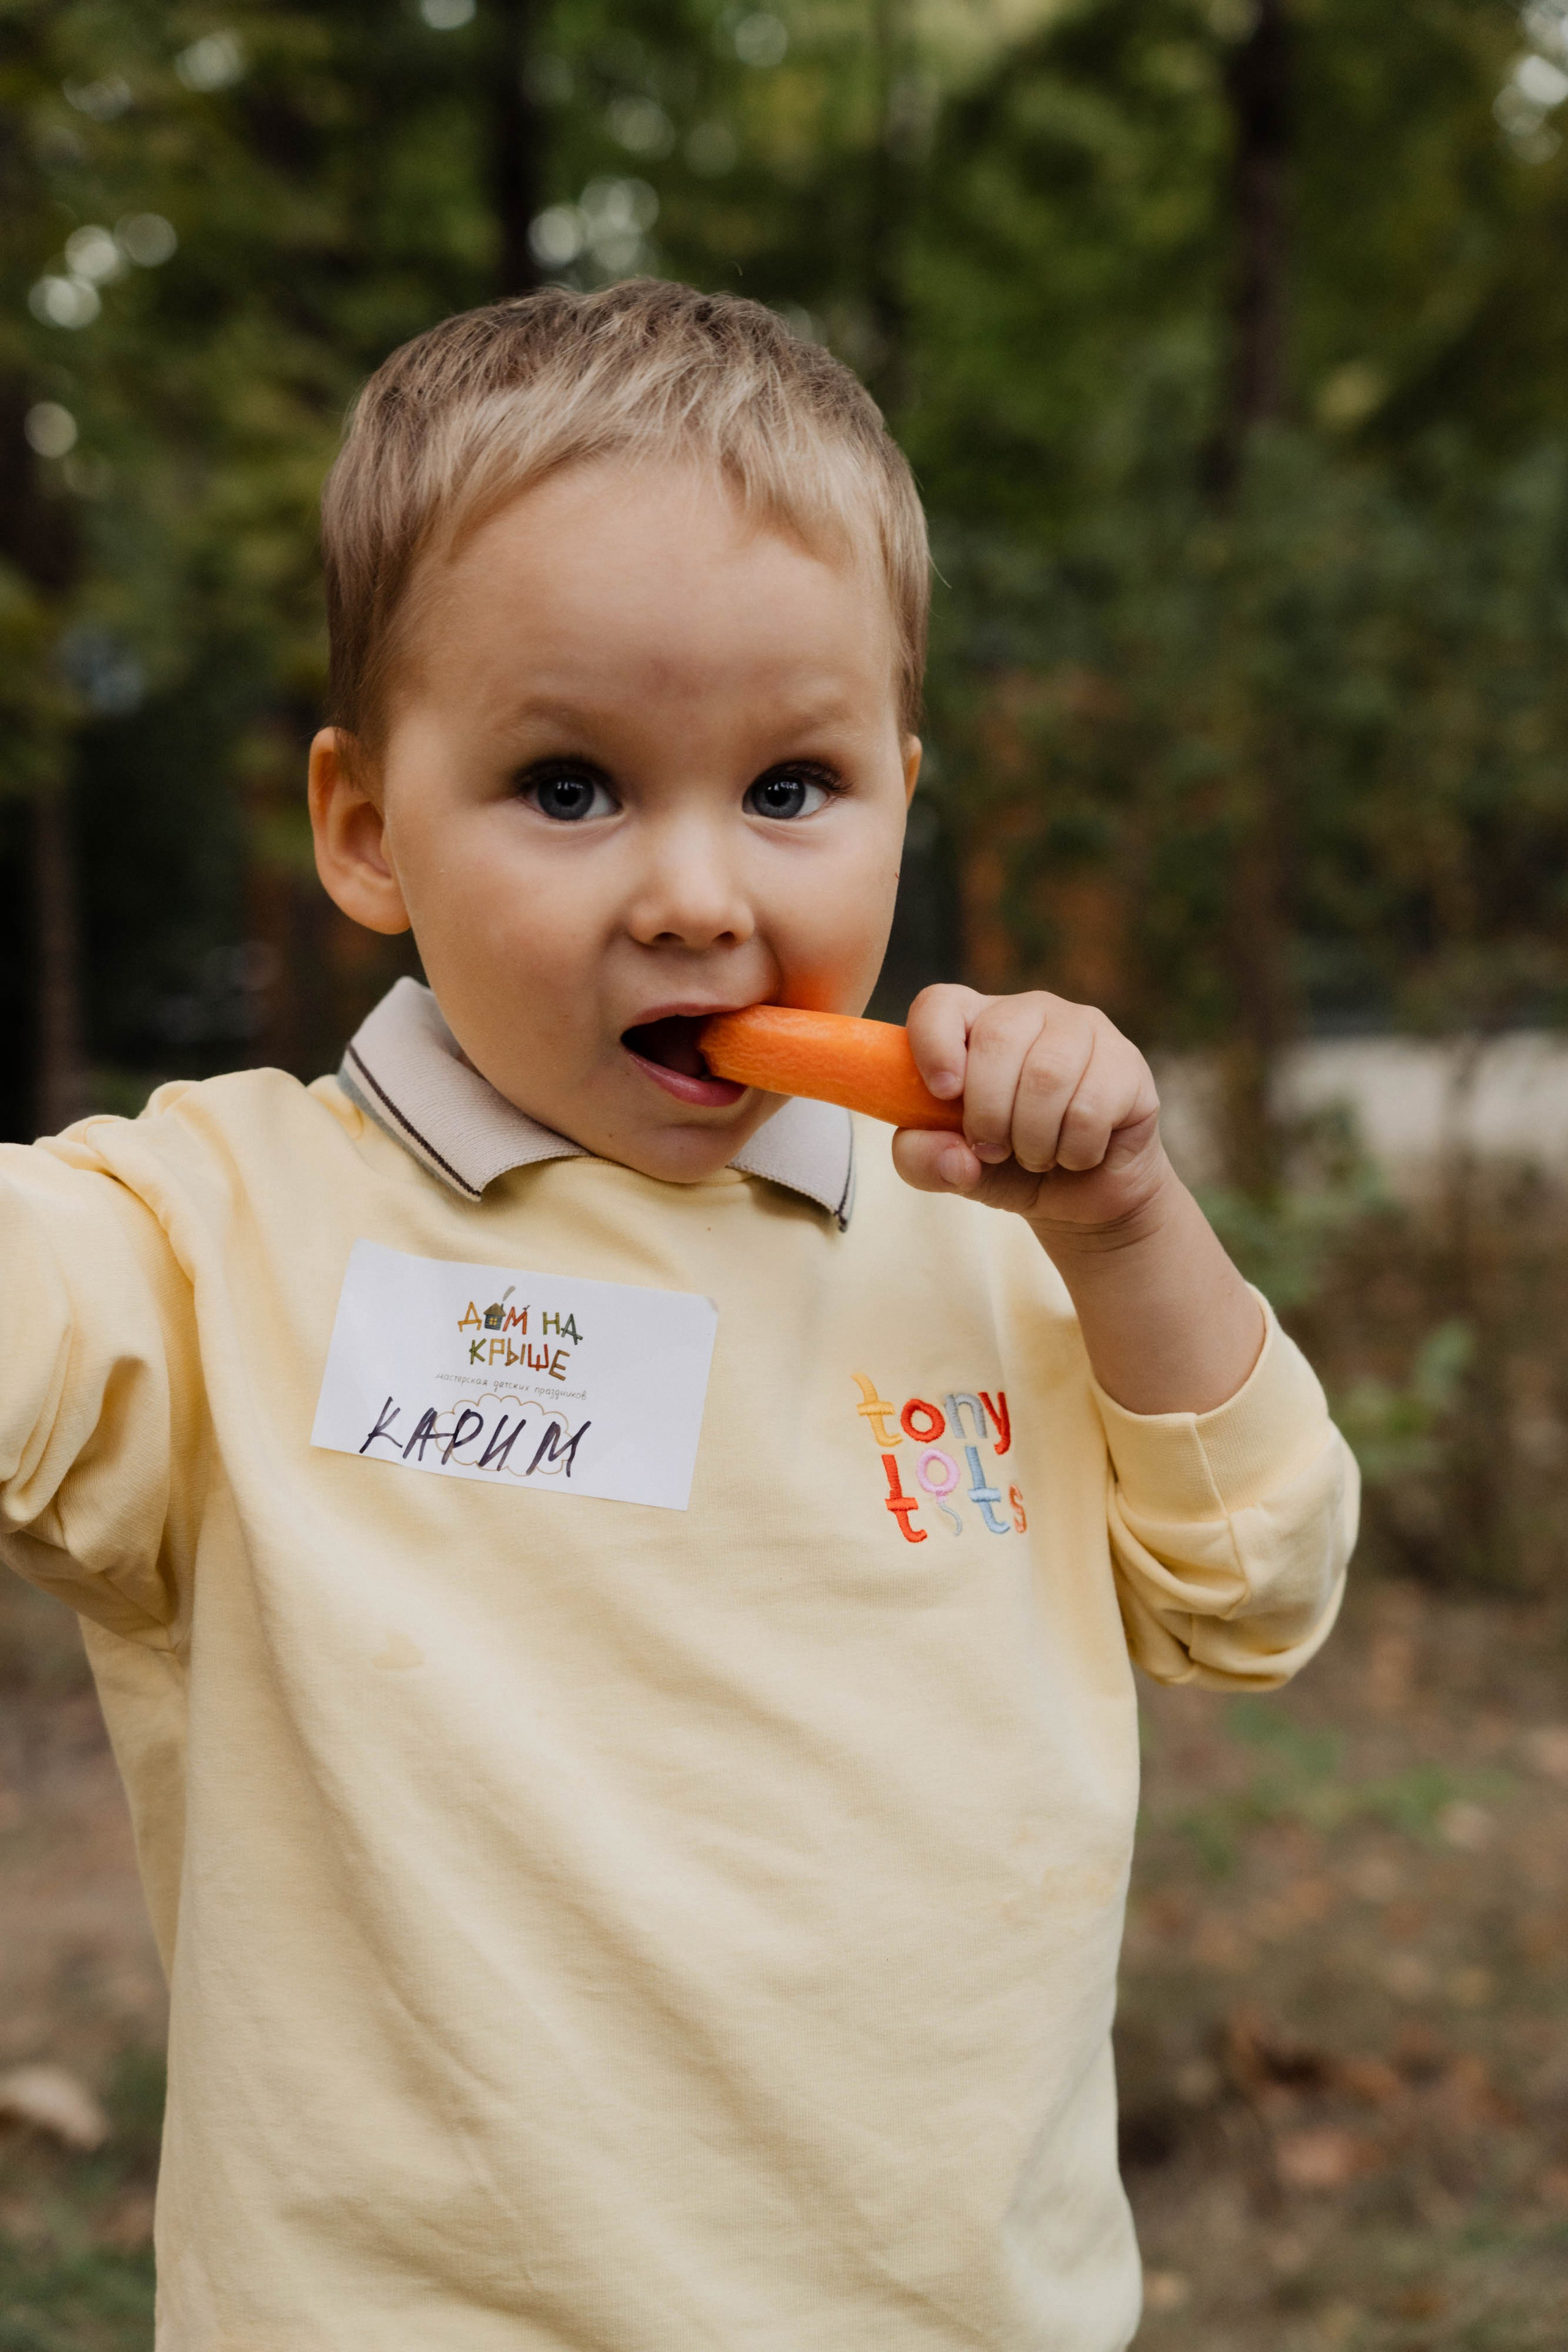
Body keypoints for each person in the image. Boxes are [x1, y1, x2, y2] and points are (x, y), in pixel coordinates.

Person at [0, 280, 1357, 2350]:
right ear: (366, 829)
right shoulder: (219, 1233)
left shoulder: (998, 1239)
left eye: (794, 786)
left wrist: (1134, 1227)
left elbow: (1256, 1593)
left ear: (904, 786)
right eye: (569, 787)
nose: (701, 896)